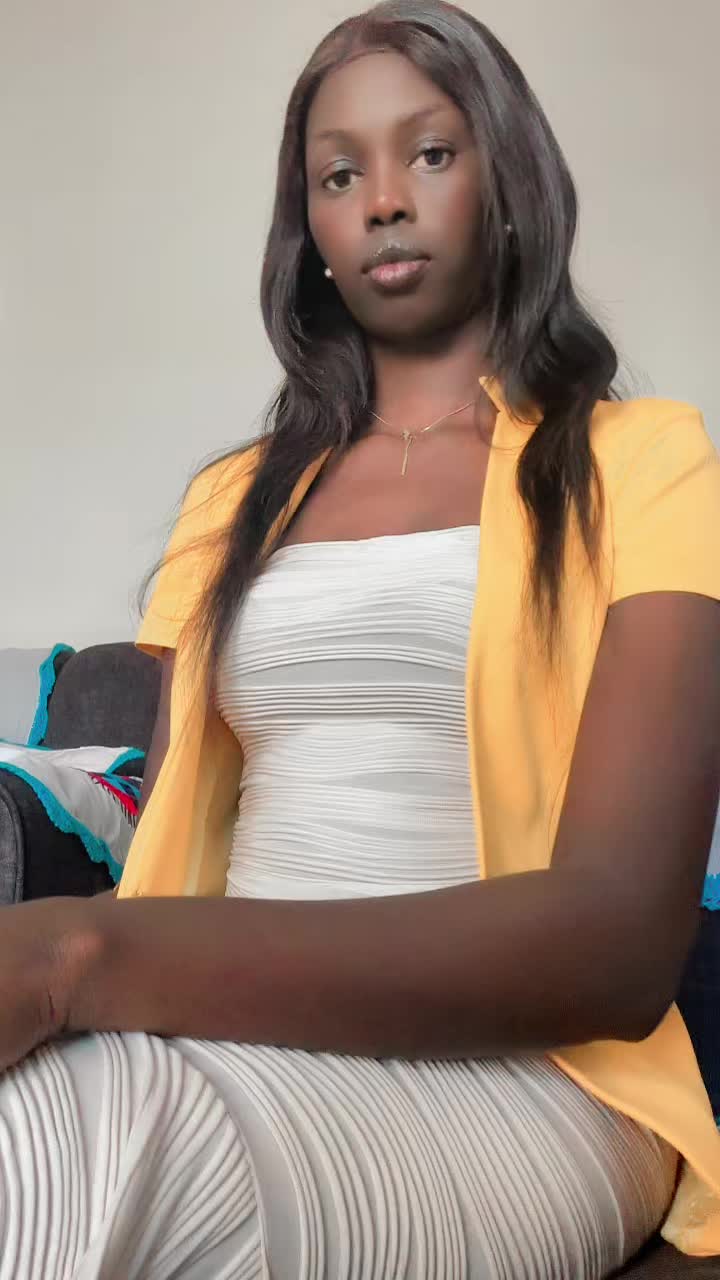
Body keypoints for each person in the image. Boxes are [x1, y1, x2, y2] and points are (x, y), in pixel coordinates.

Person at [2, 2, 720, 1276]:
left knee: (64, 1147)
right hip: (224, 1028)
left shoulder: (644, 461)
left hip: (531, 1074)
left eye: (430, 153)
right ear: (311, 233)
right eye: (340, 175)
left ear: (511, 185)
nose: (384, 200)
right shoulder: (230, 500)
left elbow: (618, 941)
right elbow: (172, 838)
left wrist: (77, 953)